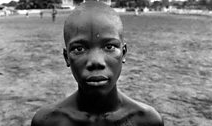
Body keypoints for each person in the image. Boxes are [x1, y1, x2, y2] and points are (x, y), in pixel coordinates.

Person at [31, 1, 164, 126]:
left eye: (109, 47)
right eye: (79, 49)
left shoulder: (147, 121)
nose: (96, 62)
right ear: (67, 58)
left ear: (123, 53)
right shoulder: (47, 122)